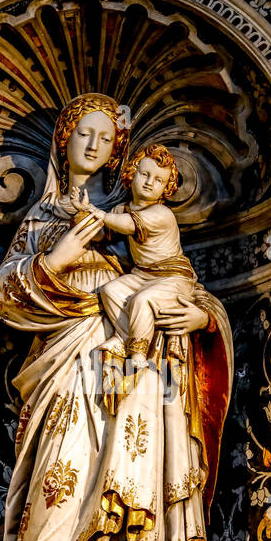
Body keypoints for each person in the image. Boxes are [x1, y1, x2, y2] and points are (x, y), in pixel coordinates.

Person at [0, 93, 232, 541]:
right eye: (83, 134)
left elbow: (184, 287)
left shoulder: (137, 218)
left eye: (106, 137)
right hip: (68, 371)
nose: (94, 146)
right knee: (61, 492)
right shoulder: (46, 221)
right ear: (64, 139)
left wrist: (202, 319)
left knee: (132, 495)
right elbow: (5, 297)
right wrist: (59, 257)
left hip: (137, 376)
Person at [73, 144, 197, 412]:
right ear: (132, 173)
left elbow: (127, 225)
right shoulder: (121, 208)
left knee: (143, 301)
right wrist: (81, 212)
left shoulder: (161, 214)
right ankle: (125, 335)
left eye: (159, 180)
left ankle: (138, 355)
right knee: (110, 292)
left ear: (167, 187)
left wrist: (98, 214)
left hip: (173, 278)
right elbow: (101, 235)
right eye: (145, 175)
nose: (150, 183)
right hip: (143, 274)